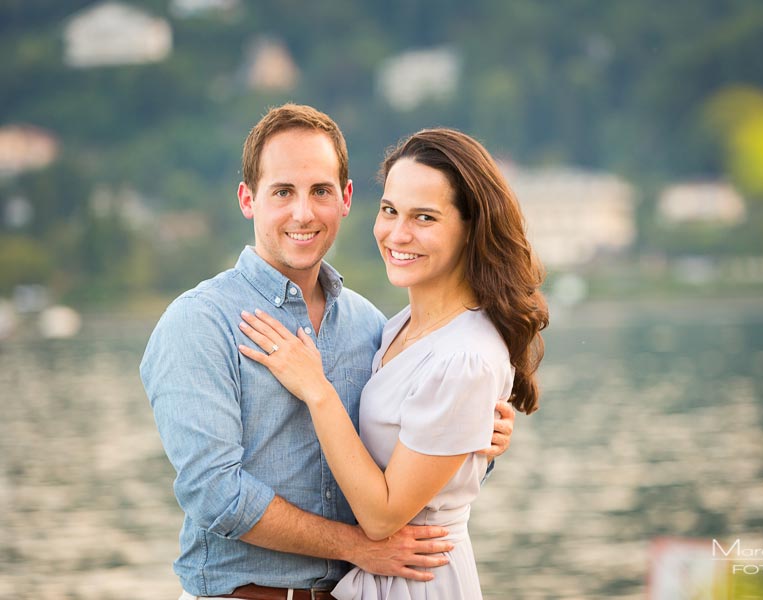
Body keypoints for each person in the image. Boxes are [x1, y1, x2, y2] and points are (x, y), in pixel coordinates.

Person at [140, 105, 516, 600]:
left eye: (320, 191)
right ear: (247, 199)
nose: (303, 213)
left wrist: (476, 442)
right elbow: (214, 494)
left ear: (346, 199)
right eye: (282, 192)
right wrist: (357, 546)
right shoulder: (199, 323)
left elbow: (406, 468)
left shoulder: (370, 325)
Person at [237, 128, 548, 599]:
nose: (397, 234)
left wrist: (315, 388)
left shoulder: (465, 357)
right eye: (390, 211)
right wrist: (472, 446)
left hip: (418, 580)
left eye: (424, 217)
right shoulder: (395, 326)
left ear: (470, 228)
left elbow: (382, 517)